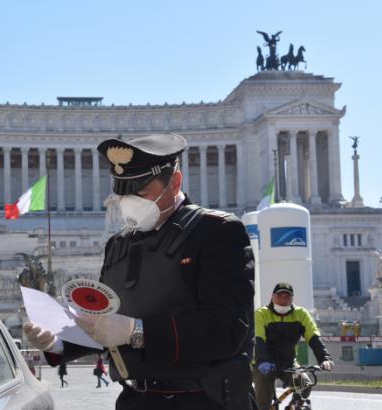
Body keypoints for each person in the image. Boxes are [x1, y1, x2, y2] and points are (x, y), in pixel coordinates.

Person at [23, 133, 256, 409]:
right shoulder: (118, 245)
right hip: (135, 400)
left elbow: (228, 328)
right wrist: (59, 344)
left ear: (175, 182)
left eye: (141, 193)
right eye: (122, 194)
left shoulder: (217, 232)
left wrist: (137, 331)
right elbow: (105, 324)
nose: (129, 202)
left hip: (204, 400)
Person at [253, 282, 334, 410]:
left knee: (305, 385)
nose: (283, 300)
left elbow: (313, 336)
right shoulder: (261, 314)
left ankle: (293, 406)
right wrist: (262, 361)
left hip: (288, 363)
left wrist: (324, 358)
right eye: (280, 296)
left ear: (292, 299)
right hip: (264, 363)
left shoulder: (301, 314)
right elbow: (259, 339)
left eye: (287, 297)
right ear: (272, 297)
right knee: (263, 403)